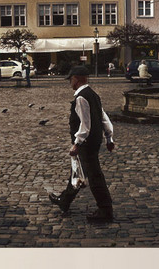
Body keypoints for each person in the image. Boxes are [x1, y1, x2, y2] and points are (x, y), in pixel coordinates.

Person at [48, 65, 115, 223]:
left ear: (76, 79)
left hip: (86, 143)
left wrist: (77, 143)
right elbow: (104, 118)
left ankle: (105, 210)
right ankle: (64, 201)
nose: (70, 83)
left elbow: (86, 124)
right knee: (76, 172)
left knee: (94, 176)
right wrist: (109, 138)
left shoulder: (81, 97)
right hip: (93, 141)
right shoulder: (93, 94)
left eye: (71, 80)